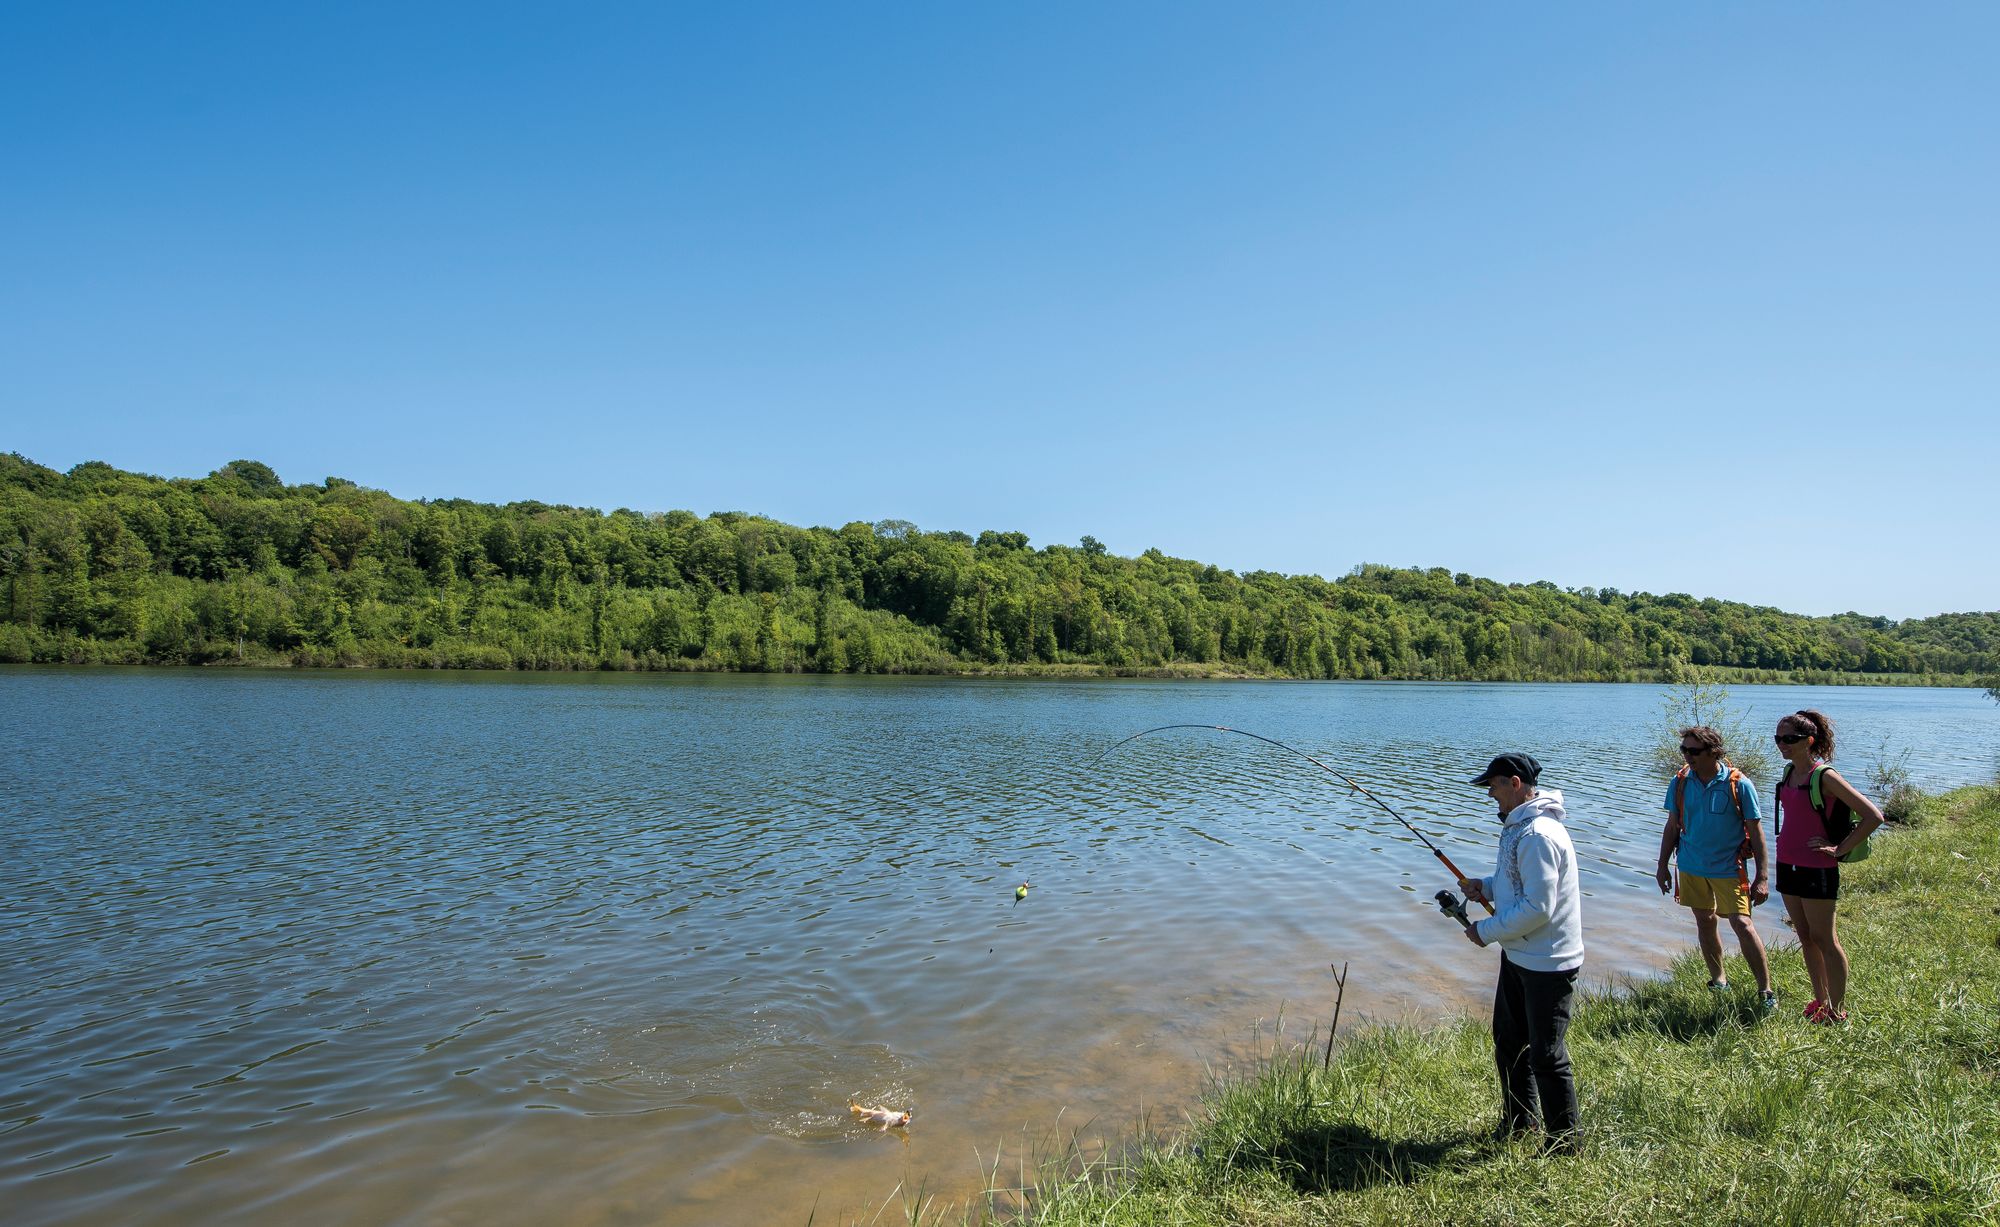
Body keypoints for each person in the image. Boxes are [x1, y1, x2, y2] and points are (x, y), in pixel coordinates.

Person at [1458, 752, 1584, 1153]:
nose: (1490, 795)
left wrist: (1486, 930)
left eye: (1493, 787)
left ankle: (1566, 1142)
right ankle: (1520, 1123)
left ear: (1515, 784)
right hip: (1519, 957)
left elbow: (1538, 907)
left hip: (1548, 963)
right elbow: (1517, 882)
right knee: (1509, 1042)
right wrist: (1486, 886)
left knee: (1546, 1055)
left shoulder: (1539, 835)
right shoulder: (1520, 828)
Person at [1653, 725, 1776, 1012]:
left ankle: (1765, 991)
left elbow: (1756, 833)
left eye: (1693, 751)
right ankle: (1718, 980)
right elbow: (1672, 826)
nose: (1687, 756)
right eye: (1684, 750)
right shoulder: (1680, 782)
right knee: (1705, 921)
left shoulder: (1739, 784)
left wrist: (1763, 877)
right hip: (1691, 866)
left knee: (1742, 924)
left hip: (1729, 868)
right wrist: (1662, 866)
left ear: (1714, 752)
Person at [1773, 709, 1883, 1024]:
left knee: (1825, 939)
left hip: (1816, 868)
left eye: (1790, 739)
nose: (1783, 744)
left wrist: (1839, 849)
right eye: (1778, 738)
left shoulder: (1825, 776)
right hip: (1787, 864)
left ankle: (1836, 1011)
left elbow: (1873, 815)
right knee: (1805, 936)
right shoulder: (1788, 773)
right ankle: (1820, 1003)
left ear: (1809, 741)